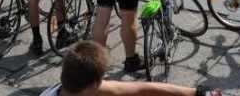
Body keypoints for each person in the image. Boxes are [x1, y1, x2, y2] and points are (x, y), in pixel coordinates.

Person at [40, 40, 222, 96]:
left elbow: (141, 88)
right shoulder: (86, 86)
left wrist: (198, 93)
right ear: (92, 87)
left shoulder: (70, 85)